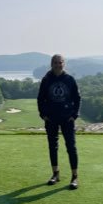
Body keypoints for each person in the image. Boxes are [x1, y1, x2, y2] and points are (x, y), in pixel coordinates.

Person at [37, 54, 81, 189]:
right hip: (51, 118)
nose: (58, 64)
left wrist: (74, 115)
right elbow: (40, 99)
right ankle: (55, 174)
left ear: (64, 64)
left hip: (67, 118)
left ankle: (74, 177)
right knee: (52, 146)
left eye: (60, 62)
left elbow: (77, 98)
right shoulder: (46, 80)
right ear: (52, 64)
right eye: (55, 62)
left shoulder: (69, 79)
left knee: (71, 147)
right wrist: (43, 114)